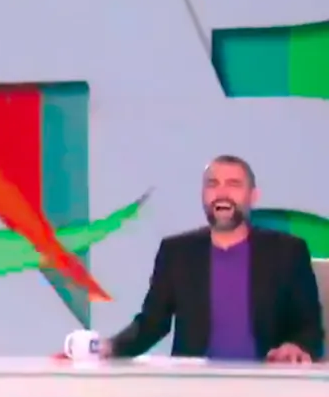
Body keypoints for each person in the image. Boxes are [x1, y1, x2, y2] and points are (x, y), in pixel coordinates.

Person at [102, 154, 323, 362]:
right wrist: (111, 347)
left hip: (267, 381)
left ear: (253, 196)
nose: (221, 193)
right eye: (212, 184)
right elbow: (151, 324)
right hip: (196, 383)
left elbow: (310, 327)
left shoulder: (287, 252)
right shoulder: (176, 252)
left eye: (233, 184)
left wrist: (297, 346)